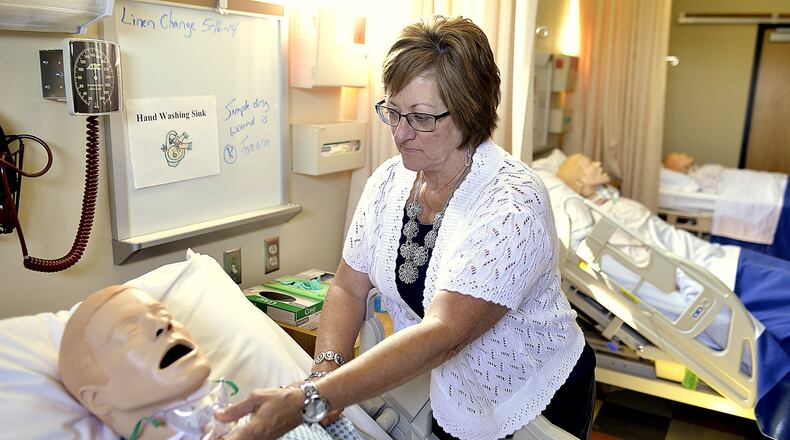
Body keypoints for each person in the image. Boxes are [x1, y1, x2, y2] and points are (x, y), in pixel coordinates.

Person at [216, 15, 595, 440]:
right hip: (450, 391)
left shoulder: (511, 204)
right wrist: (322, 371)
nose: (399, 133)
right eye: (392, 112)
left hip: (530, 398)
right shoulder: (390, 181)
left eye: (420, 117)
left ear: (470, 115)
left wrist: (314, 399)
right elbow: (347, 286)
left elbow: (445, 333)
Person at [58, 285, 358, 440]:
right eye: (131, 331)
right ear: (96, 398)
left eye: (164, 316)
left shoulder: (288, 413)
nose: (163, 326)